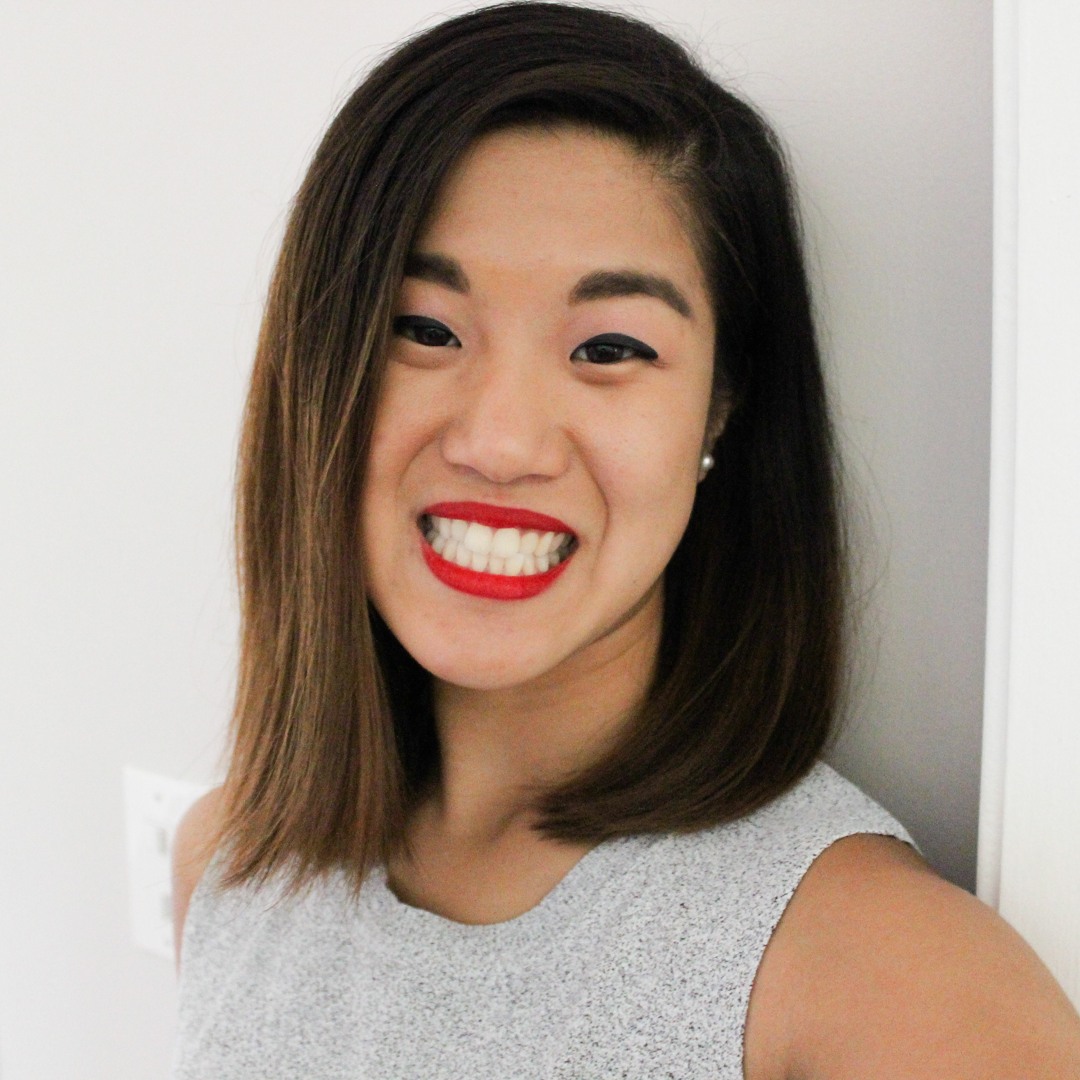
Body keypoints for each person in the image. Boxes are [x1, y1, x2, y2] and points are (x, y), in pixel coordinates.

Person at [169, 3, 1080, 1077]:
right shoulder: (226, 859)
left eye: (608, 347)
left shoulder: (887, 984)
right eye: (424, 329)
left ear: (720, 410)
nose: (500, 442)